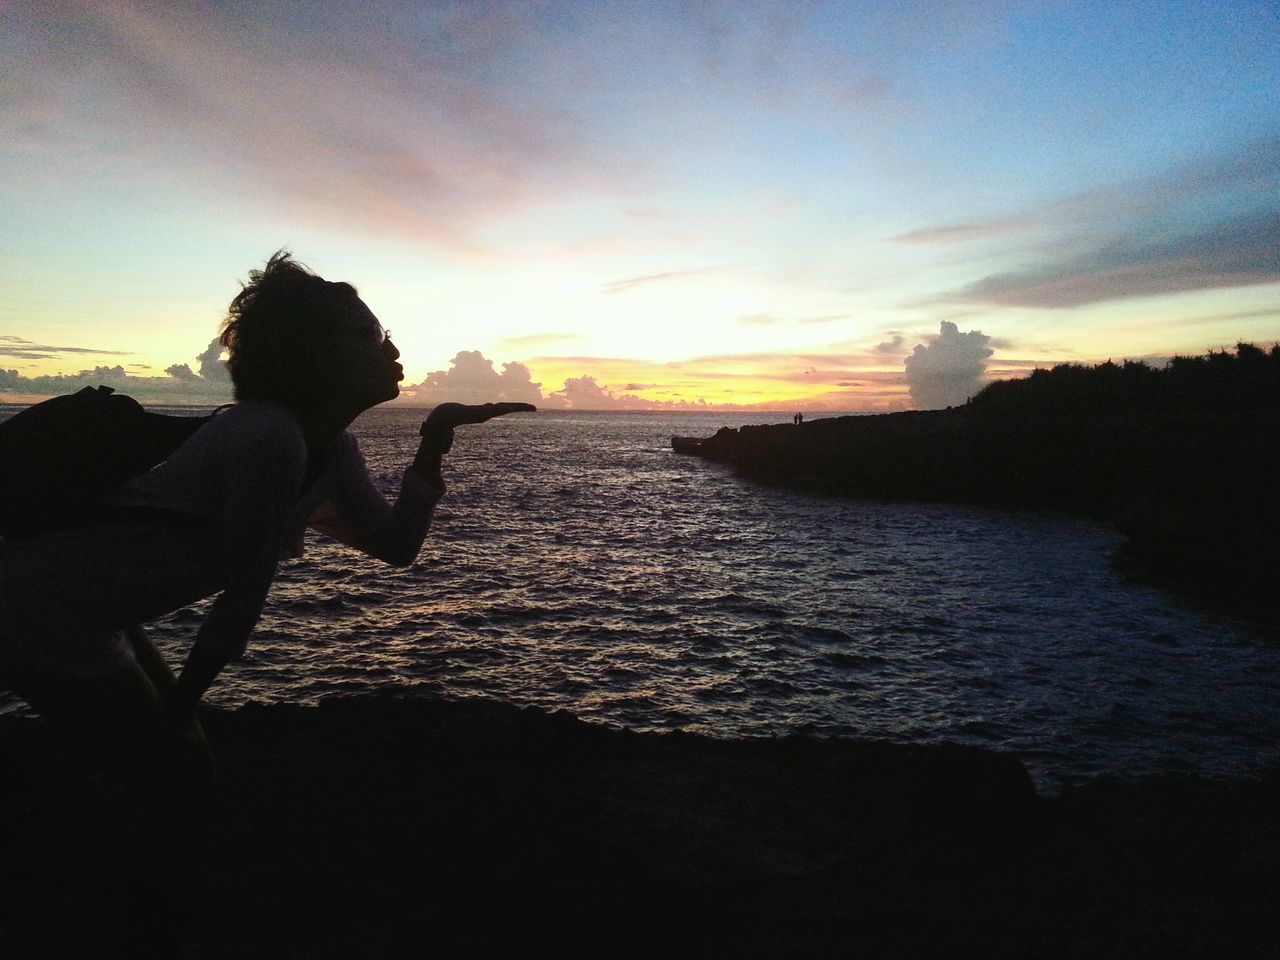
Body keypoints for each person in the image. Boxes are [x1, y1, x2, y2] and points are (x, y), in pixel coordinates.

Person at [0, 251, 533, 955]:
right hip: (41, 604)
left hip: (91, 606)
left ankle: (124, 903)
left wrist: (435, 442)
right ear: (320, 361)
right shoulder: (268, 437)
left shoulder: (328, 445)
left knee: (173, 777)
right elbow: (244, 597)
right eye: (373, 340)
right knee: (177, 779)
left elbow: (396, 546)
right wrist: (182, 706)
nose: (394, 350)